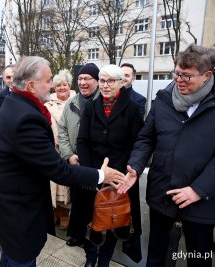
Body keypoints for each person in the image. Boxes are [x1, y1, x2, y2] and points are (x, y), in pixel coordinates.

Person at [0, 56, 126, 266]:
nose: (52, 85)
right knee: (22, 256)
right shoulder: (26, 118)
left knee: (10, 254)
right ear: (31, 85)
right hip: (14, 205)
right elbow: (59, 171)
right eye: (48, 80)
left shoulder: (16, 103)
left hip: (5, 196)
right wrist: (101, 175)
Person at [118, 44, 215, 267]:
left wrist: (199, 190)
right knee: (157, 254)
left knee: (198, 256)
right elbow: (147, 138)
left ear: (207, 75)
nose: (179, 80)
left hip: (201, 200)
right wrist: (135, 166)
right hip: (162, 193)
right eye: (176, 73)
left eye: (187, 76)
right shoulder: (164, 99)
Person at [77, 65, 144, 266]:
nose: (105, 86)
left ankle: (105, 260)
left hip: (120, 176)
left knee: (115, 219)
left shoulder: (132, 108)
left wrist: (121, 172)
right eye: (103, 81)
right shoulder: (91, 107)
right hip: (94, 174)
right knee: (91, 218)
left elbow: (137, 143)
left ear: (121, 82)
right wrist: (92, 172)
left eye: (111, 81)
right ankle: (90, 259)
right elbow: (83, 141)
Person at [58, 63, 100, 247]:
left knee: (93, 201)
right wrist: (68, 154)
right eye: (80, 79)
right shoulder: (72, 102)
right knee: (77, 199)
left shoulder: (102, 101)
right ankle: (75, 234)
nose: (83, 82)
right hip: (75, 160)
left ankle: (92, 235)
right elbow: (62, 129)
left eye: (87, 79)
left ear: (97, 81)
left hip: (95, 162)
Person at [44, 69, 76, 230]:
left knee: (67, 182)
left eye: (64, 84)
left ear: (69, 86)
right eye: (58, 85)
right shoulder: (47, 104)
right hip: (52, 149)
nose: (61, 88)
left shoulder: (77, 102)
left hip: (71, 150)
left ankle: (64, 213)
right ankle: (54, 211)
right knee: (54, 182)